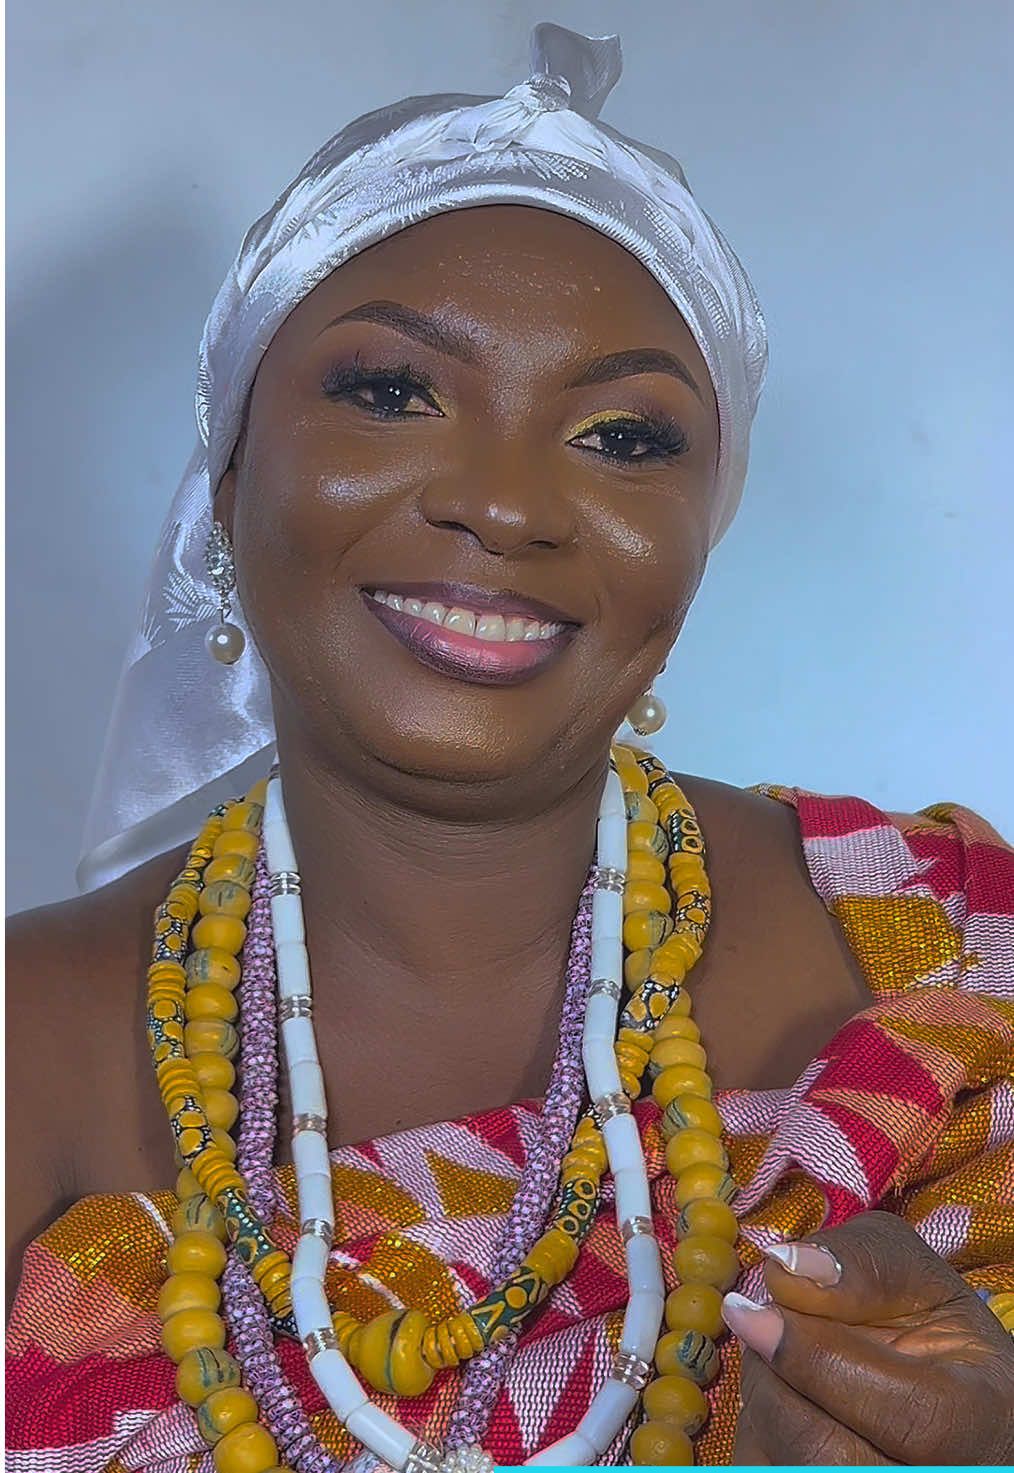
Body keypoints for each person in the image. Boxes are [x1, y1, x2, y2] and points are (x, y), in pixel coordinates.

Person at [6, 23, 1013, 1472]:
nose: (506, 503)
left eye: (622, 438)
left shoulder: (946, 948)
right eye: (390, 391)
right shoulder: (27, 1042)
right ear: (225, 481)